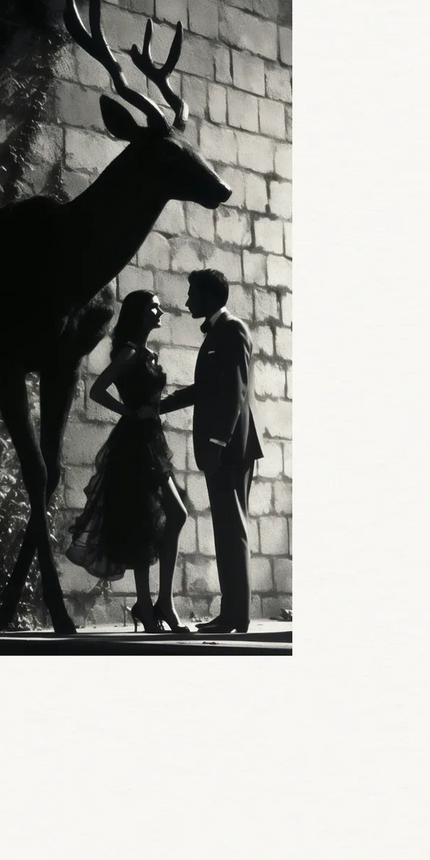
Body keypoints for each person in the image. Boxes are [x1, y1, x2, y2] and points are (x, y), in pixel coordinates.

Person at [65, 290, 190, 632]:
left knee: (164, 517)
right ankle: (151, 606)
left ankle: (157, 604)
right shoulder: (130, 352)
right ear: (138, 314)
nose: (160, 309)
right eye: (154, 305)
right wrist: (130, 412)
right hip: (135, 441)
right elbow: (97, 389)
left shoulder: (146, 353)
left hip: (150, 439)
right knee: (149, 520)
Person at [159, 268, 264, 634]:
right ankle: (232, 615)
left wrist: (218, 442)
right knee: (226, 530)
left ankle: (235, 617)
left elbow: (234, 391)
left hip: (230, 448)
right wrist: (159, 405)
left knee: (232, 530)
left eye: (192, 294)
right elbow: (205, 388)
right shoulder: (221, 331)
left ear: (210, 296)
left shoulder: (231, 329)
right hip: (224, 447)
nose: (188, 301)